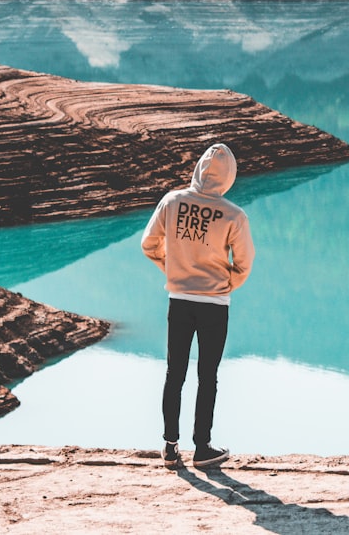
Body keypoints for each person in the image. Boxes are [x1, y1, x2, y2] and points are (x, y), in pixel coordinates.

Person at [141, 143, 255, 469]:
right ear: (229, 176)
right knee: (208, 375)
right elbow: (244, 264)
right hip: (214, 305)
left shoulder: (172, 202)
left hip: (179, 300)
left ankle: (169, 447)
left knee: (174, 372)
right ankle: (202, 448)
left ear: (198, 169)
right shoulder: (234, 215)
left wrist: (173, 270)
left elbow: (148, 244)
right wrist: (225, 285)